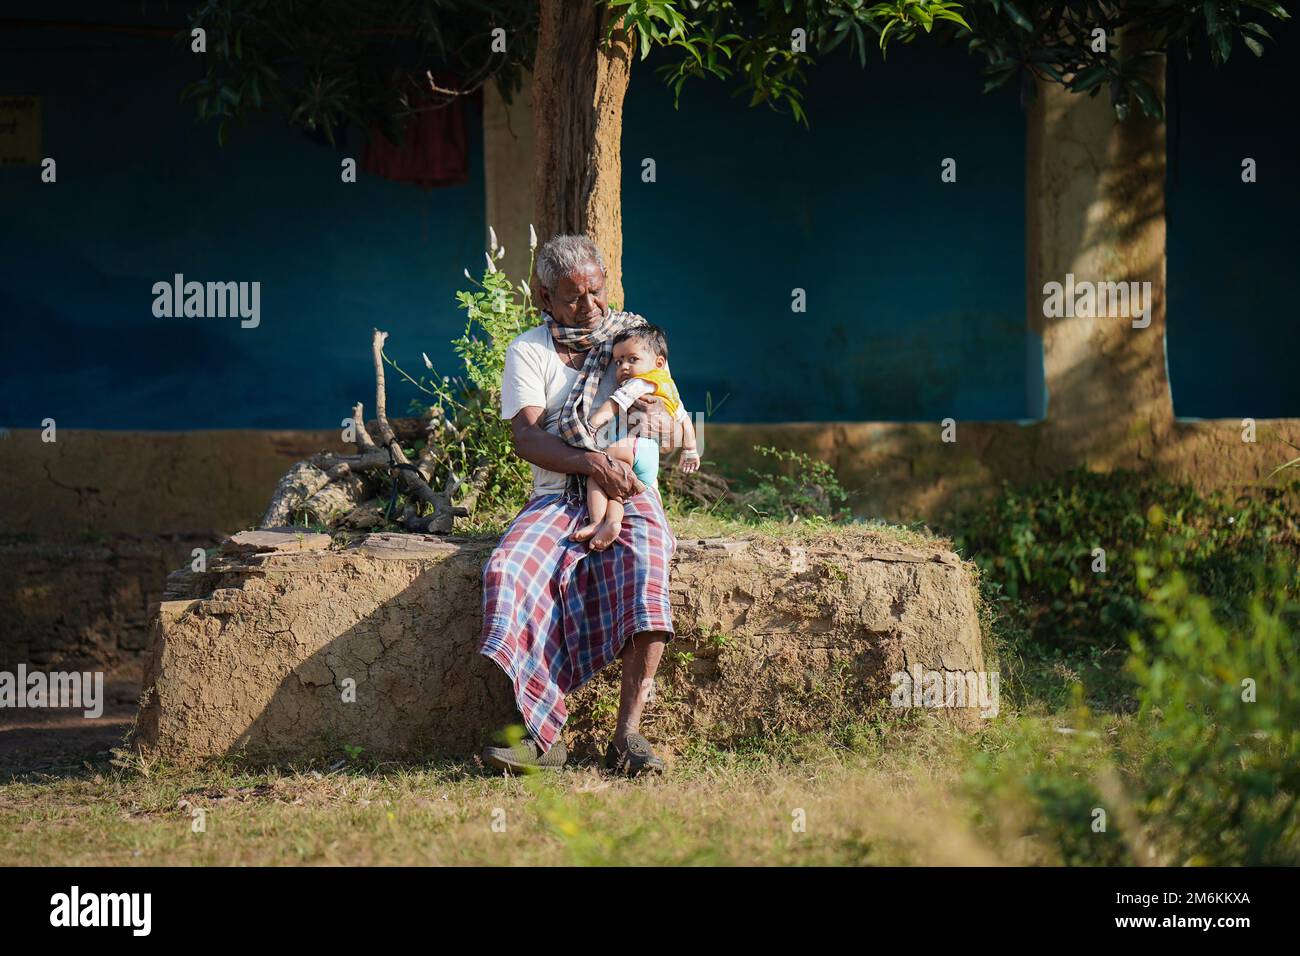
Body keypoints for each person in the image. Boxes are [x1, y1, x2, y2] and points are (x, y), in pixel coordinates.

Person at [478, 234, 679, 776]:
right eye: (573, 298)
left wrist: (659, 427)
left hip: (629, 487)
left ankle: (628, 738)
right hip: (557, 492)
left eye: (596, 292)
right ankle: (543, 736)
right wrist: (591, 463)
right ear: (544, 298)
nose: (590, 306)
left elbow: (670, 412)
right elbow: (528, 439)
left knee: (646, 563)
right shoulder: (530, 350)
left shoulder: (628, 339)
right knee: (510, 569)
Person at [571, 323, 700, 550]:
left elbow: (614, 403)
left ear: (658, 363)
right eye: (619, 362)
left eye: (632, 359)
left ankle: (596, 521)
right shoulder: (669, 388)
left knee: (597, 471)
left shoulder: (640, 383)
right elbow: (685, 421)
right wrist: (690, 449)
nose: (624, 367)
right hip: (649, 460)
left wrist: (590, 426)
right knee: (618, 491)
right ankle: (618, 523)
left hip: (630, 447)